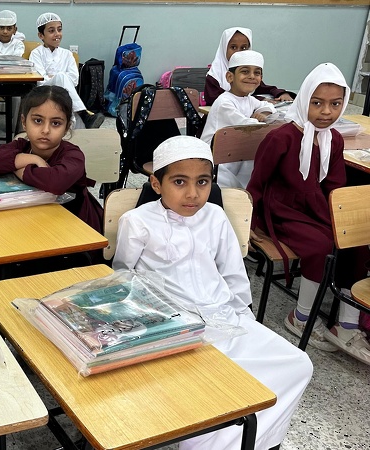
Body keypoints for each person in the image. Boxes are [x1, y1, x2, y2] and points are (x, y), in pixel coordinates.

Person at [113, 135, 313, 450]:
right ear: (156, 183)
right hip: (175, 327)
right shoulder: (137, 222)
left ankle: (242, 443)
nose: (193, 193)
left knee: (299, 364)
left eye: (203, 182)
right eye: (180, 182)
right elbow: (124, 278)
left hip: (225, 315)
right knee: (213, 384)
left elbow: (233, 273)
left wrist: (245, 320)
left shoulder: (216, 216)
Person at [247, 63, 370, 364]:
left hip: (315, 207)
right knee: (320, 245)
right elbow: (257, 184)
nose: (326, 112)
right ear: (304, 100)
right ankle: (300, 317)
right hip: (280, 210)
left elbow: (335, 186)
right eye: (317, 103)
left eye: (335, 104)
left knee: (354, 241)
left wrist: (344, 221)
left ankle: (347, 325)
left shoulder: (334, 139)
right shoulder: (282, 137)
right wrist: (250, 223)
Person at [0, 85, 103, 234]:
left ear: (66, 128)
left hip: (77, 230)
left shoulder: (73, 155)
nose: (45, 130)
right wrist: (31, 159)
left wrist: (20, 170)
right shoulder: (22, 146)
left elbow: (55, 183)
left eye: (56, 123)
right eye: (38, 121)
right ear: (24, 122)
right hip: (34, 222)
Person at [200, 50, 275, 188]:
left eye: (257, 73)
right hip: (215, 163)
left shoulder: (249, 99)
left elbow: (268, 107)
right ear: (230, 77)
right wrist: (259, 120)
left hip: (236, 155)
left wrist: (263, 113)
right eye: (245, 72)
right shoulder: (224, 102)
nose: (251, 76)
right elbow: (247, 126)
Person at [29, 12, 104, 130]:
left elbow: (74, 80)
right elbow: (40, 80)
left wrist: (55, 77)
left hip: (66, 94)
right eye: (51, 31)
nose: (57, 34)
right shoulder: (36, 54)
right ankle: (83, 114)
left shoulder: (67, 54)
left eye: (59, 30)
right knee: (62, 77)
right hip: (45, 92)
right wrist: (60, 77)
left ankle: (79, 120)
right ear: (41, 35)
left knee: (63, 82)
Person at [204, 27, 295, 106]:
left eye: (243, 48)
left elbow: (265, 88)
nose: (238, 52)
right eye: (233, 47)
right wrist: (259, 100)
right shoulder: (214, 76)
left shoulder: (249, 74)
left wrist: (281, 94)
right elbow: (217, 100)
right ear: (224, 49)